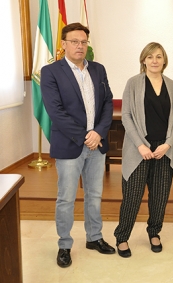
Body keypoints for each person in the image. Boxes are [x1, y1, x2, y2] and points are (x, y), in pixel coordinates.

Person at [41, 22, 115, 268]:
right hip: (70, 145)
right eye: (74, 41)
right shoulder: (51, 72)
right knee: (66, 198)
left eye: (83, 42)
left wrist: (99, 133)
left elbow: (107, 104)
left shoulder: (98, 69)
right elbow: (56, 112)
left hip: (97, 145)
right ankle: (64, 245)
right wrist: (87, 136)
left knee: (94, 196)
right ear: (63, 44)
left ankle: (94, 238)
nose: (79, 46)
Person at [114, 42, 173, 258]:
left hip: (164, 150)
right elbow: (126, 116)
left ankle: (154, 232)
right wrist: (141, 145)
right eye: (150, 57)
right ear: (143, 60)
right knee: (132, 197)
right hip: (138, 149)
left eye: (159, 57)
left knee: (159, 197)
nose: (154, 61)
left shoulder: (171, 85)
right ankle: (122, 237)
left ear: (164, 60)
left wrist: (168, 144)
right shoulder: (133, 83)